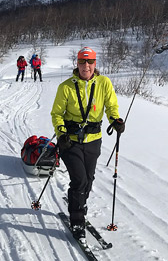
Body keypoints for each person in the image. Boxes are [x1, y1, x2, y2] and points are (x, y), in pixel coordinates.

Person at [51, 47, 125, 240]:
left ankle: (79, 203)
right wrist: (61, 133)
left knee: (89, 180)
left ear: (95, 64)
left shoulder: (103, 83)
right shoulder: (66, 87)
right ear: (77, 63)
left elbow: (111, 106)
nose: (86, 66)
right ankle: (77, 221)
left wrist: (115, 120)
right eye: (83, 62)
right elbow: (57, 114)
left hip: (93, 141)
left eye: (90, 62)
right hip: (70, 141)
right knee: (79, 180)